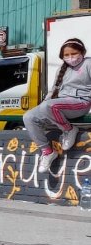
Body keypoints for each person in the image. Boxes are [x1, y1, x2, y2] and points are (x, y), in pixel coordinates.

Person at [27, 38, 91, 172]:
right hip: (61, 103)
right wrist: (42, 106)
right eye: (66, 55)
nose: (70, 57)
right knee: (28, 117)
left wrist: (47, 106)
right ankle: (47, 151)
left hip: (81, 102)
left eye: (74, 53)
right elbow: (53, 91)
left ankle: (69, 130)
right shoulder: (62, 69)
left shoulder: (88, 64)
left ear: (82, 52)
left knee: (49, 106)